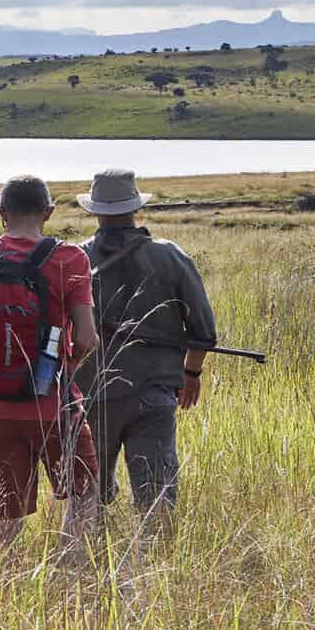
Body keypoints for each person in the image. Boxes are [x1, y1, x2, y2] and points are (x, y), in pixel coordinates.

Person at [0, 174, 100, 554]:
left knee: (4, 520)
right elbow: (86, 338)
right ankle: (72, 581)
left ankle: (3, 591)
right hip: (56, 407)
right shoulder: (70, 258)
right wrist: (60, 371)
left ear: (1, 213)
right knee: (83, 498)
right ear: (48, 212)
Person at [75, 169, 218, 523]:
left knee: (90, 499)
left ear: (95, 212)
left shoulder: (76, 261)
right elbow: (203, 329)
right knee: (157, 503)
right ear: (135, 207)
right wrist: (191, 373)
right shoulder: (170, 256)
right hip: (153, 395)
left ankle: (90, 568)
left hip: (93, 397)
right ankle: (158, 569)